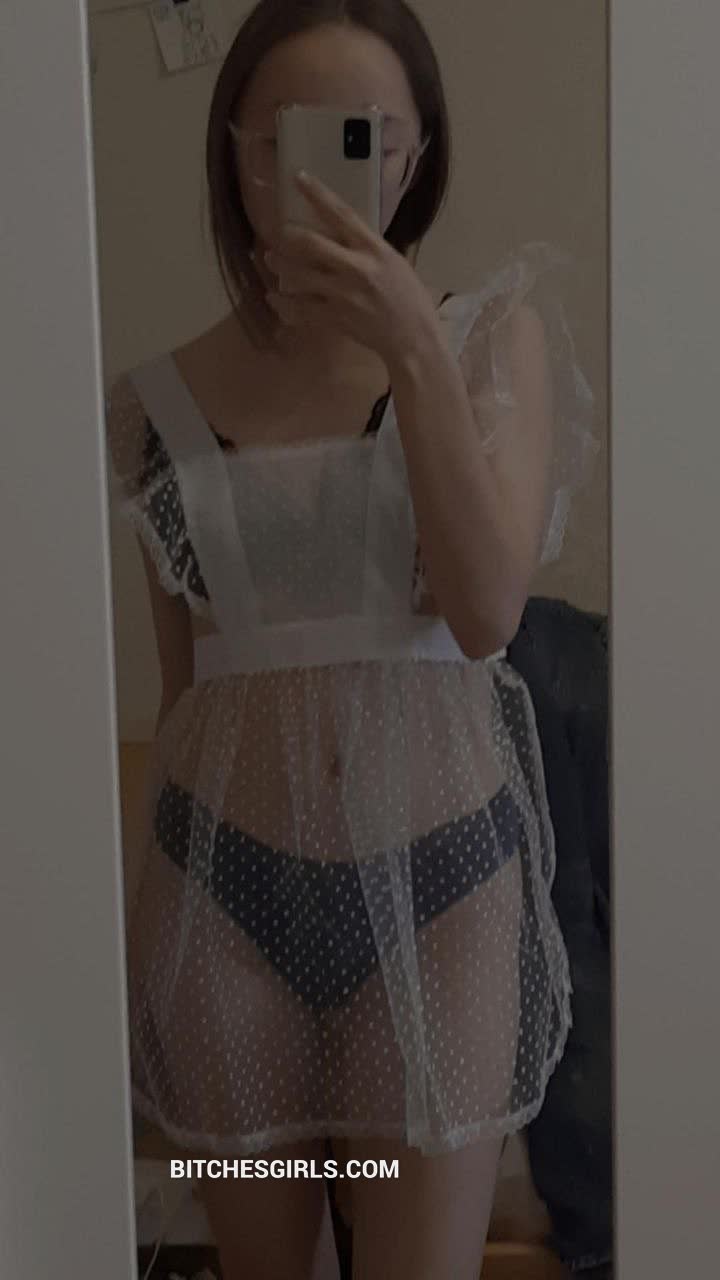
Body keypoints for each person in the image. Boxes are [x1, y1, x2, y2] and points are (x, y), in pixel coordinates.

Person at [105, 1, 597, 1276]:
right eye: (281, 136)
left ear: (416, 153)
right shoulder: (150, 404)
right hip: (220, 908)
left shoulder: (490, 344)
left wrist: (413, 346)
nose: (318, 169)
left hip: (445, 897)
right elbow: (185, 687)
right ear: (235, 153)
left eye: (361, 135)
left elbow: (485, 612)